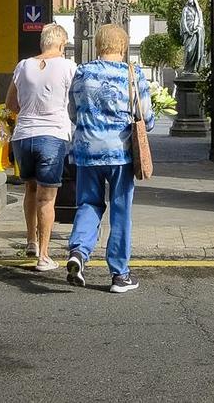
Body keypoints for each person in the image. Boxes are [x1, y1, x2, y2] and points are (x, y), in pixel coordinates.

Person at [65, 22, 153, 293]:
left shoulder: (82, 72)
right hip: (120, 154)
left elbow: (72, 111)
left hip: (87, 151)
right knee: (120, 210)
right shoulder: (133, 73)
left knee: (88, 204)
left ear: (98, 45)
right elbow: (146, 118)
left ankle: (79, 253)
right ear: (123, 47)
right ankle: (119, 275)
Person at [3, 22, 74, 271]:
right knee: (47, 198)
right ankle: (44, 256)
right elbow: (76, 101)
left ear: (42, 43)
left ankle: (31, 241)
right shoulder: (68, 67)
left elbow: (10, 102)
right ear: (62, 44)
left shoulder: (23, 66)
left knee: (30, 190)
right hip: (52, 136)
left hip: (23, 137)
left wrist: (30, 112)